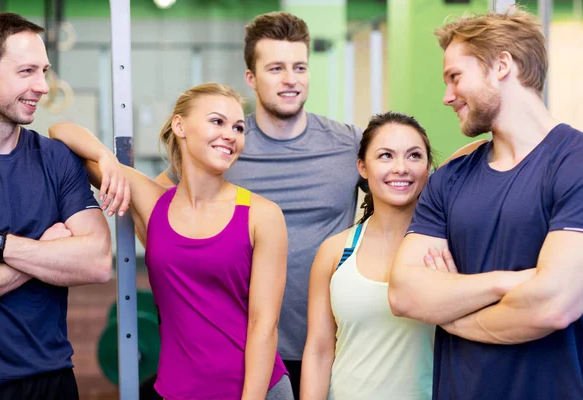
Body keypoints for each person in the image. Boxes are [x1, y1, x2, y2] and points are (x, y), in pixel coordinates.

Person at [153, 12, 364, 398]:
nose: (290, 79)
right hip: (248, 350)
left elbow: (408, 178)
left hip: (331, 346)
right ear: (251, 78)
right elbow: (158, 208)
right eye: (276, 68)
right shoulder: (226, 145)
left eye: (300, 67)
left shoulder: (348, 144)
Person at [49, 83, 293, 400]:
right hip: (178, 390)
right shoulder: (152, 202)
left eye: (238, 127)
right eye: (217, 122)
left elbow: (264, 326)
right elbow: (60, 131)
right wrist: (105, 159)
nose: (230, 135)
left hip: (258, 391)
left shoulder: (262, 216)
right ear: (180, 126)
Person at [388, 8, 583, 400]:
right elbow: (404, 294)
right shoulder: (450, 177)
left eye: (455, 77)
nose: (446, 97)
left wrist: (451, 313)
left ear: (501, 66)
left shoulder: (574, 162)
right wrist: (507, 282)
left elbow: (553, 305)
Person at [0, 12, 112, 399]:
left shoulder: (56, 159)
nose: (42, 86)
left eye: (44, 71)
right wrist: (49, 247)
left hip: (52, 376)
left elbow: (98, 260)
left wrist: (0, 246)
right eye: (26, 71)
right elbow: (74, 255)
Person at [301, 112, 435, 399]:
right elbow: (320, 351)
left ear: (428, 168)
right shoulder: (335, 251)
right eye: (386, 155)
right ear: (362, 167)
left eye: (414, 156)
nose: (401, 168)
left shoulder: (445, 251)